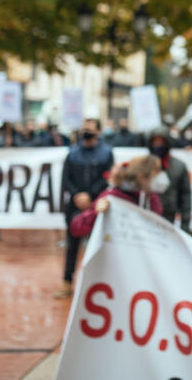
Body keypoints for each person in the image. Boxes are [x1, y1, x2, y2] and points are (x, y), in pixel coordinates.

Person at [56, 119, 114, 298]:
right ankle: (67, 283)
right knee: (72, 246)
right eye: (83, 129)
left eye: (89, 129)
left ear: (98, 131)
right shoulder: (72, 153)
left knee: (98, 246)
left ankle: (97, 286)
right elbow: (66, 179)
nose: (85, 132)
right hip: (75, 205)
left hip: (98, 206)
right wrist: (78, 196)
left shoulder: (106, 153)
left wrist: (91, 196)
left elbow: (107, 178)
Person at [70, 155, 167, 237]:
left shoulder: (151, 198)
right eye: (155, 174)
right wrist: (95, 213)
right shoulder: (112, 196)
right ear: (141, 177)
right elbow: (76, 227)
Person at [148, 132, 192, 233]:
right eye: (155, 142)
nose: (158, 146)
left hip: (169, 217)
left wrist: (185, 225)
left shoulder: (179, 166)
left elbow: (185, 196)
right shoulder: (143, 166)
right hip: (147, 216)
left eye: (161, 142)